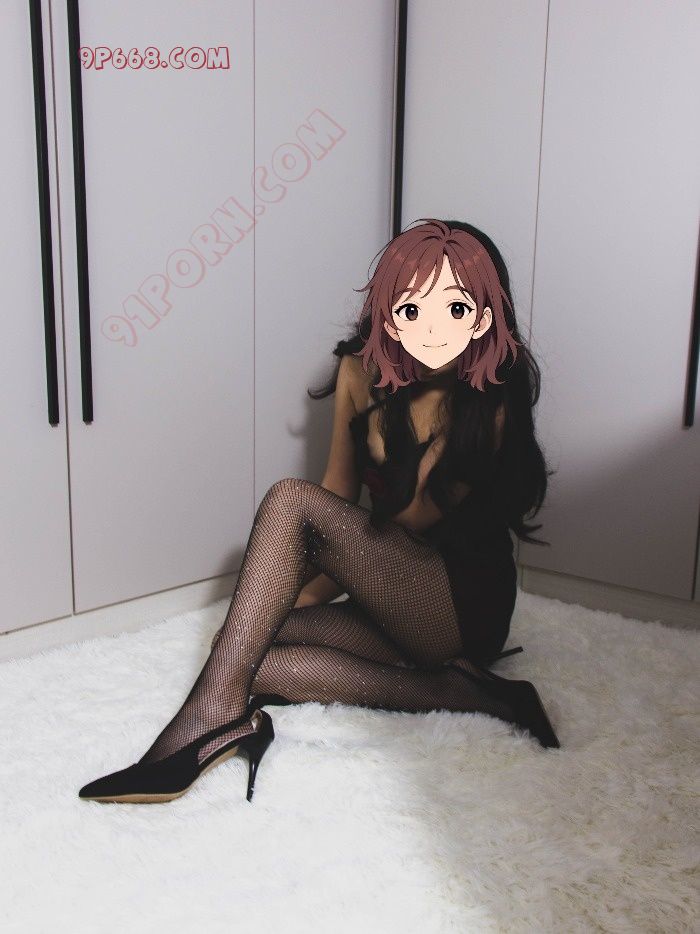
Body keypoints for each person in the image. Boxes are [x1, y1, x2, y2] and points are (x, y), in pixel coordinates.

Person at [78, 218, 559, 806]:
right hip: (387, 592)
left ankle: (207, 722)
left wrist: (316, 577)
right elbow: (338, 490)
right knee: (245, 651)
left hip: (458, 606)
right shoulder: (360, 369)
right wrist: (294, 596)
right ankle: (469, 694)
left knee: (287, 506)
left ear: (483, 318)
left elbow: (407, 519)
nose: (433, 329)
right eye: (414, 309)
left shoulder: (489, 396)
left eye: (454, 309)